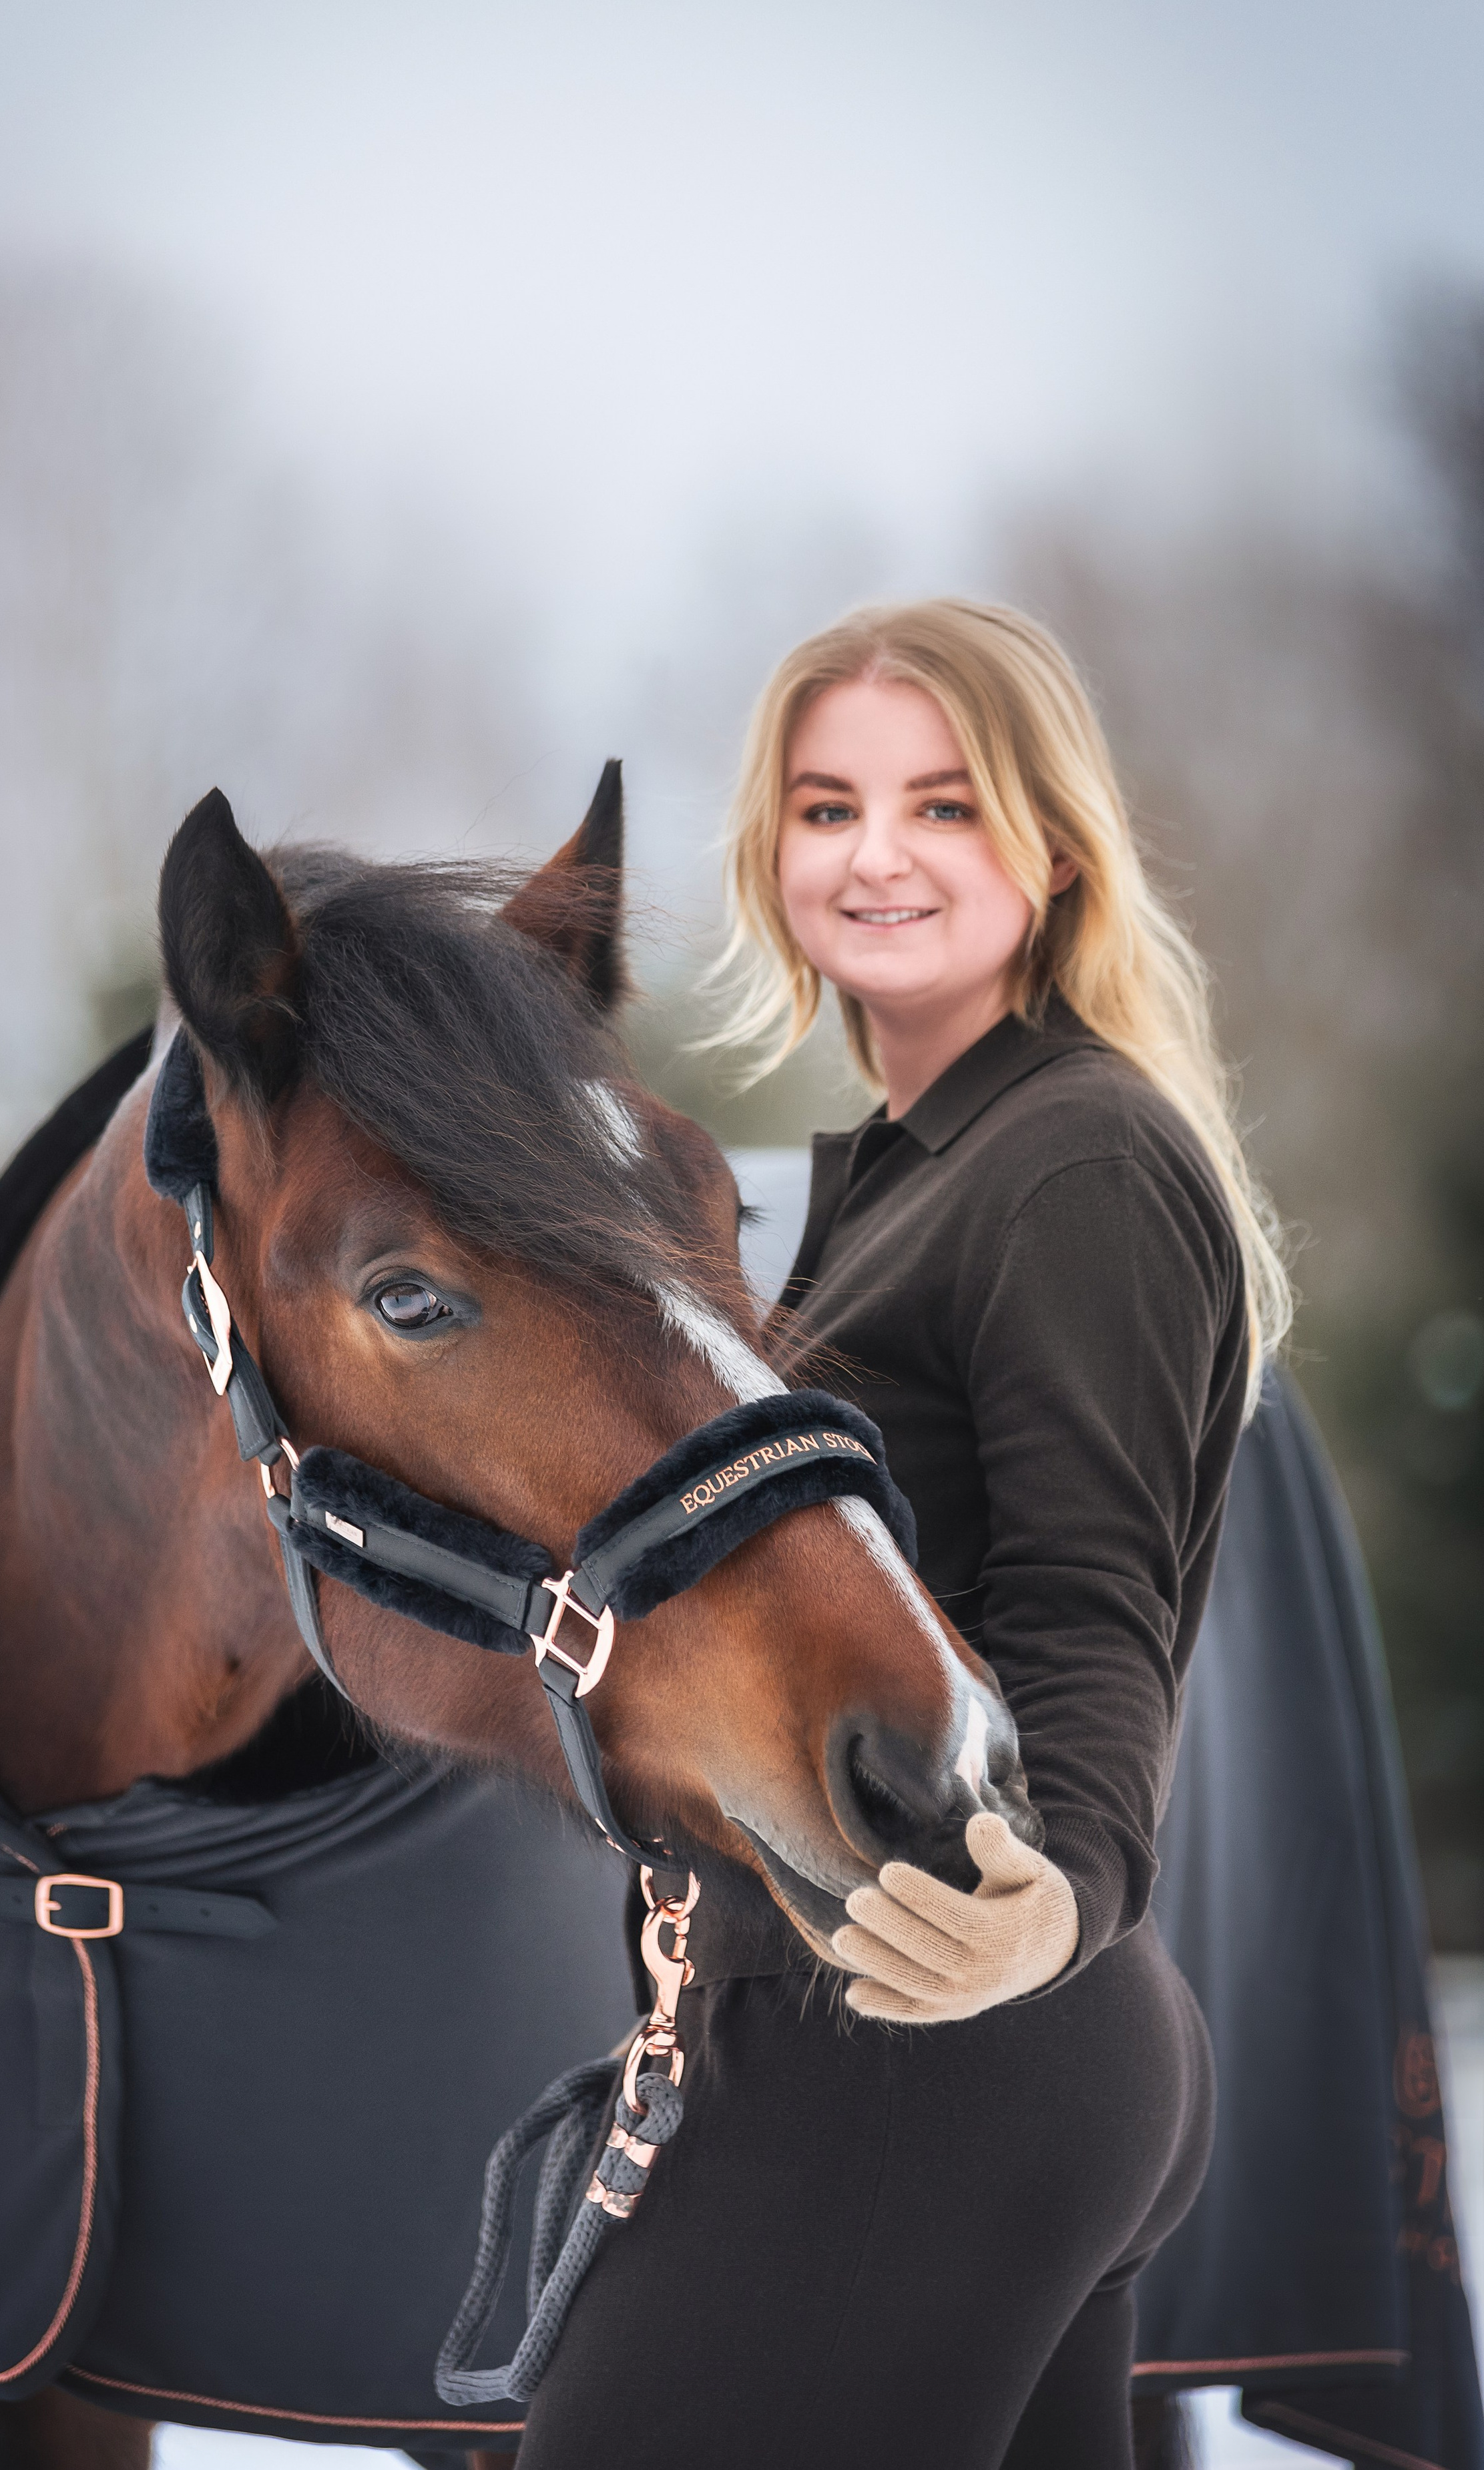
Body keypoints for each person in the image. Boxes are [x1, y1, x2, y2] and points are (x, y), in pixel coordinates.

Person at [515, 598, 1288, 2470]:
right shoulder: (905, 1177)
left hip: (931, 2037)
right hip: (944, 2053)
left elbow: (1094, 1601)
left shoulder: (1076, 1159)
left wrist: (1063, 1892)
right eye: (827, 806)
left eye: (945, 805)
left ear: (1054, 846)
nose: (878, 855)